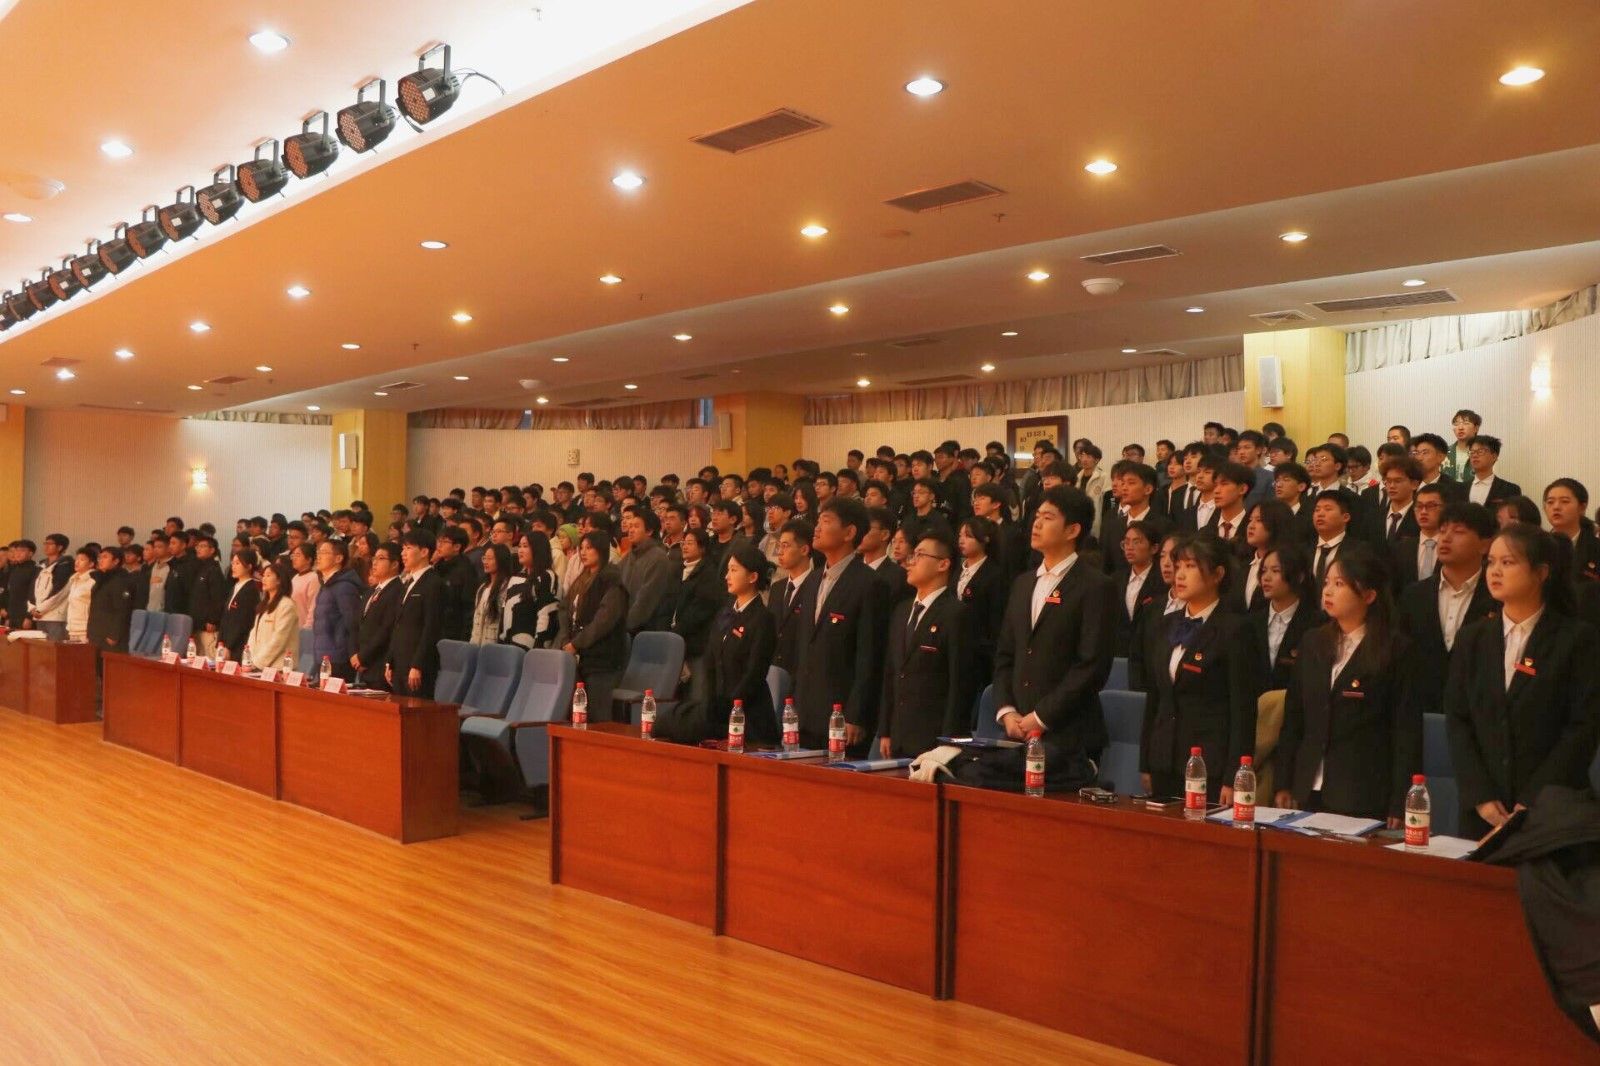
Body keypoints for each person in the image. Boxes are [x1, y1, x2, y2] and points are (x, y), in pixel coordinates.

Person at [1446, 523, 1600, 837]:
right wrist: (1480, 795)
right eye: (1491, 562)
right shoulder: (1472, 637)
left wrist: (1533, 799)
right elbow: (1458, 719)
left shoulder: (1576, 639)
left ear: (1541, 572)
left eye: (1508, 562)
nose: (1495, 571)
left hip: (1551, 808)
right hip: (1483, 809)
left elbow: (1583, 728)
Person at [1276, 543, 1418, 824]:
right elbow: (1294, 718)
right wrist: (1284, 782)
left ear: (1369, 595)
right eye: (1326, 583)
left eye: (1339, 584)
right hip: (1306, 787)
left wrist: (1399, 803)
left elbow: (1406, 732)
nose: (1328, 591)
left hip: (1362, 791)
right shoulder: (1313, 641)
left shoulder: (1396, 649)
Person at [992, 485, 1116, 781]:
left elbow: (1092, 665)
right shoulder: (1023, 583)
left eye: (1048, 518)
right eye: (1037, 516)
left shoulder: (1095, 586)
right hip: (1017, 731)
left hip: (1068, 736)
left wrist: (1041, 717)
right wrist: (1007, 711)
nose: (1036, 523)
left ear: (1073, 530)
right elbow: (1006, 655)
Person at [1140, 533, 1261, 802]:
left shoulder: (1235, 630)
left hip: (1209, 763)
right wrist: (1145, 761)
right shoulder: (1165, 623)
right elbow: (1155, 697)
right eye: (1178, 566)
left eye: (1191, 566)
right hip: (1163, 758)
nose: (1180, 574)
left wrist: (1234, 776)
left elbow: (1243, 710)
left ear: (1217, 574)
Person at [792, 497, 887, 754]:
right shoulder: (812, 580)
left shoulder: (870, 584)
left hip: (841, 716)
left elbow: (869, 657)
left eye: (825, 521)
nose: (817, 528)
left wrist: (856, 714)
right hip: (805, 711)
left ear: (849, 532)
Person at [1398, 501, 1498, 722]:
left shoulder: (1498, 598)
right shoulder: (1414, 595)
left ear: (1485, 545)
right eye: (1442, 531)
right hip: (1420, 713)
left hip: (1478, 716)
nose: (1445, 538)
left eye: (1458, 532)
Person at [880, 533, 973, 758]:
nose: (911, 562)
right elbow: (891, 672)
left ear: (943, 564)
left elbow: (960, 683)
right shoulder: (902, 610)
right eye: (912, 555)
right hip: (898, 735)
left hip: (933, 739)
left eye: (920, 555)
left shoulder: (956, 613)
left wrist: (949, 741)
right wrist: (885, 730)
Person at [703, 540, 779, 746]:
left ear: (753, 577)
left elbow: (754, 674)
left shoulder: (763, 619)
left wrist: (730, 706)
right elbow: (710, 661)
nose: (727, 576)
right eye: (728, 570)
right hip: (719, 715)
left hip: (750, 718)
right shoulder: (724, 612)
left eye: (734, 570)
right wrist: (711, 703)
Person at [562, 530, 631, 719]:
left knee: (597, 715)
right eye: (581, 548)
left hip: (602, 660)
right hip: (580, 657)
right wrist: (566, 639)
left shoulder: (611, 580)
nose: (583, 552)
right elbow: (565, 609)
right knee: (576, 713)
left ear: (601, 550)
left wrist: (576, 643)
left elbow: (603, 621)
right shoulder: (581, 579)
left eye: (589, 548)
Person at [1246, 544, 1318, 693]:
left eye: (1275, 571)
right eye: (1263, 570)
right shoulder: (1251, 623)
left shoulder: (1316, 624)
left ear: (1299, 576)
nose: (1266, 577)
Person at [387, 530, 445, 697]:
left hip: (417, 664)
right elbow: (397, 624)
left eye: (408, 548)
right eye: (403, 548)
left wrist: (418, 665)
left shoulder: (434, 583)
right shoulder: (407, 582)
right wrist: (390, 661)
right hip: (400, 661)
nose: (403, 553)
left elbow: (431, 628)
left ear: (424, 551)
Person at [953, 516, 1007, 695]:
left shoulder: (994, 575)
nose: (961, 540)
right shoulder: (957, 570)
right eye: (960, 535)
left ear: (985, 539)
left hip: (979, 652)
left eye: (968, 536)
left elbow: (996, 620)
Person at [668, 528, 724, 672]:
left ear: (702, 548)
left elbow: (699, 610)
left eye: (690, 543)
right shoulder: (678, 570)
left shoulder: (709, 573)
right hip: (673, 637)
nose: (685, 547)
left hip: (695, 642)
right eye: (683, 543)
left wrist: (676, 631)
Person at [351, 543, 403, 688]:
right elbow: (356, 624)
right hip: (361, 664)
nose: (374, 562)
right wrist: (354, 654)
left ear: (394, 564)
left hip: (379, 664)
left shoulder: (398, 591)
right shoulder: (371, 590)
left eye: (381, 558)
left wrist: (363, 657)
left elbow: (386, 630)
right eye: (374, 558)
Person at [767, 518, 814, 675]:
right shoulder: (777, 588)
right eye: (779, 546)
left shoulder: (816, 586)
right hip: (773, 670)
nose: (780, 551)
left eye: (786, 546)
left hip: (802, 671)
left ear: (804, 550)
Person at [311, 540, 362, 680]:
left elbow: (353, 623)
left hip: (338, 659)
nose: (319, 556)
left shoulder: (344, 587)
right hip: (323, 656)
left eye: (324, 552)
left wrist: (353, 652)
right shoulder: (326, 585)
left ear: (338, 558)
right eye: (318, 552)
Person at [1114, 520, 1166, 658]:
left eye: (1137, 542)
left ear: (1154, 548)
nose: (1129, 547)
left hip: (1151, 653)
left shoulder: (1163, 582)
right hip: (1120, 653)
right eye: (1126, 542)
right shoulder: (1115, 580)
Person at [617, 507, 673, 634]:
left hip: (646, 629)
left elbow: (645, 601)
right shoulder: (630, 555)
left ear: (649, 531)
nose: (631, 530)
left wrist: (622, 627)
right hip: (624, 626)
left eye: (636, 526)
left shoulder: (658, 557)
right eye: (630, 526)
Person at [502, 532, 561, 650]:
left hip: (531, 648)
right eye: (519, 546)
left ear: (538, 549)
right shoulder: (515, 577)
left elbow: (546, 615)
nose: (520, 550)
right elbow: (505, 612)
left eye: (525, 546)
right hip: (508, 645)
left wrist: (539, 649)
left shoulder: (546, 577)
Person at [1542, 478, 1600, 586]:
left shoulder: (1596, 547)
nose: (1556, 507)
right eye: (1550, 502)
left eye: (1564, 501)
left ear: (1582, 507)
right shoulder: (1537, 546)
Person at [247, 561, 301, 671]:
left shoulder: (287, 605)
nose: (264, 579)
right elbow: (254, 634)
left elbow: (278, 640)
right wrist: (250, 660)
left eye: (268, 575)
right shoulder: (264, 604)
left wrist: (257, 663)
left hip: (279, 667)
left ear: (279, 580)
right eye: (263, 575)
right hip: (258, 665)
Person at [86, 547, 136, 652]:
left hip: (110, 636)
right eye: (99, 557)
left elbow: (123, 610)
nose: (100, 560)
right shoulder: (101, 578)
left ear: (116, 561)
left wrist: (114, 635)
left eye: (105, 557)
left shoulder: (121, 580)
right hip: (96, 632)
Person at [186, 537, 227, 657]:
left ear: (212, 550)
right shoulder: (200, 568)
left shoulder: (214, 570)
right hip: (196, 622)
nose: (198, 549)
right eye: (197, 546)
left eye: (203, 546)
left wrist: (212, 619)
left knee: (208, 658)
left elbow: (218, 597)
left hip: (208, 626)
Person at [217, 549, 261, 659]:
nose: (233, 566)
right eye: (233, 563)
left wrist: (229, 646)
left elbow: (242, 622)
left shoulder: (251, 590)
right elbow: (226, 617)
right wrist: (220, 643)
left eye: (237, 563)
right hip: (225, 644)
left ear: (249, 566)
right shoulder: (235, 586)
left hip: (239, 646)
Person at [469, 543, 514, 645]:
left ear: (501, 560)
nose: (485, 562)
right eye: (484, 558)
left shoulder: (507, 587)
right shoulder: (482, 588)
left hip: (494, 645)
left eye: (490, 558)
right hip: (476, 644)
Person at [29, 534, 72, 639]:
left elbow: (60, 591)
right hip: (39, 616)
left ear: (60, 547)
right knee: (41, 646)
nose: (46, 546)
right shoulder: (41, 565)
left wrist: (40, 610)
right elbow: (32, 587)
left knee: (55, 646)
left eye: (50, 544)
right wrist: (32, 607)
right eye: (45, 543)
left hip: (55, 616)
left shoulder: (66, 565)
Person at [1464, 435, 1520, 506]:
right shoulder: (1461, 488)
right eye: (1472, 452)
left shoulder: (1510, 490)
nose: (1474, 455)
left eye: (1480, 451)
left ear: (1494, 457)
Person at [64, 547, 96, 642]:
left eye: (82, 560)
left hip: (86, 629)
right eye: (76, 559)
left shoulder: (93, 581)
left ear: (91, 564)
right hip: (72, 627)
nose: (77, 562)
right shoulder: (74, 579)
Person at [288, 542, 318, 628]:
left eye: (298, 555)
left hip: (304, 627)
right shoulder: (295, 577)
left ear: (309, 559)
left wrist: (307, 628)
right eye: (293, 555)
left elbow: (313, 607)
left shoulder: (314, 578)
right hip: (292, 626)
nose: (294, 558)